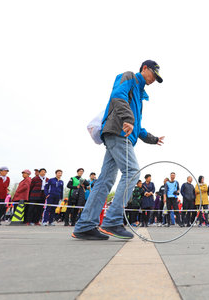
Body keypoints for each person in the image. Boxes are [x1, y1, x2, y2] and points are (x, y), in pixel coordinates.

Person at [73, 60, 164, 240]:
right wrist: (128, 118)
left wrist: (152, 139)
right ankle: (112, 221)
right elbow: (117, 95)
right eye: (153, 74)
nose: (154, 79)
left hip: (123, 134)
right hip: (118, 132)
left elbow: (137, 126)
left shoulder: (139, 94)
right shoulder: (129, 77)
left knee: (105, 180)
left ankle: (85, 226)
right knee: (132, 172)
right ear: (144, 68)